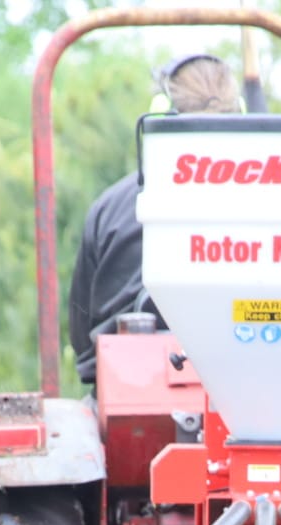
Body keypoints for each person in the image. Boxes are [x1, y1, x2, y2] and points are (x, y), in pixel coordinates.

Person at [67, 54, 243, 382]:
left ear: (161, 112)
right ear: (241, 114)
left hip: (129, 386)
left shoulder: (111, 207)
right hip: (261, 376)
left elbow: (82, 338)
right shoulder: (280, 200)